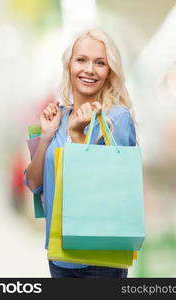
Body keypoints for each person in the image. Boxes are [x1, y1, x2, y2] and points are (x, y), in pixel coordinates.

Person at [24, 29, 137, 278]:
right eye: (81, 60)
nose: (89, 70)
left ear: (110, 72)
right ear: (69, 65)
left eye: (100, 63)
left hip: (99, 257)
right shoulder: (57, 117)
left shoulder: (117, 120)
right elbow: (33, 183)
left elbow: (105, 191)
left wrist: (76, 136)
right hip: (60, 254)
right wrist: (45, 137)